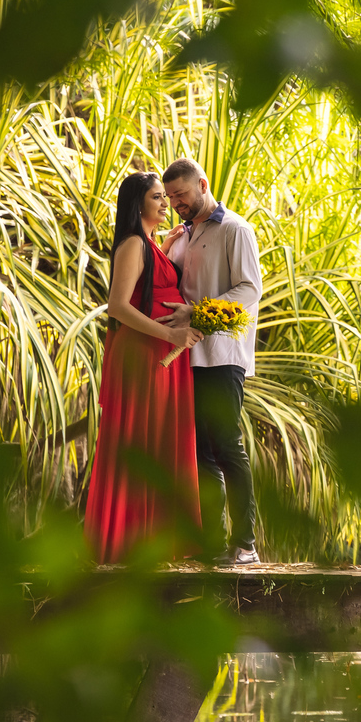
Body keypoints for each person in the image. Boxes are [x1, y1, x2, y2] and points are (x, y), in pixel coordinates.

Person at [84, 171, 204, 563]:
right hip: (145, 355)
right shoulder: (133, 244)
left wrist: (164, 250)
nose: (165, 202)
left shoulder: (149, 245)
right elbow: (118, 306)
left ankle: (156, 541)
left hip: (163, 358)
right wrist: (170, 337)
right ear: (138, 204)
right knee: (139, 442)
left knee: (159, 442)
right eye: (157, 197)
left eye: (165, 197)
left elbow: (148, 289)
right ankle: (123, 544)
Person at [158, 158, 263, 565]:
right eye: (170, 198)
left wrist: (197, 313)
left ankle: (246, 545)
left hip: (223, 357)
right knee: (200, 451)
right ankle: (213, 546)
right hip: (188, 357)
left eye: (181, 195)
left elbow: (249, 289)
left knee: (226, 447)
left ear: (202, 184)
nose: (176, 203)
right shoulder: (184, 233)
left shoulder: (235, 229)